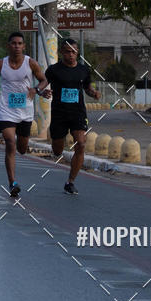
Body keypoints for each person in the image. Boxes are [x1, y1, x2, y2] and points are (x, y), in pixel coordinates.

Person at [0, 31, 47, 198]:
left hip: (25, 111)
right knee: (10, 143)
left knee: (22, 148)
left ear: (24, 46)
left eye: (20, 44)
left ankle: (21, 143)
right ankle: (12, 182)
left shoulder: (30, 63)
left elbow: (43, 80)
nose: (17, 46)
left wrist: (36, 89)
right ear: (8, 45)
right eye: (14, 43)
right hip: (6, 110)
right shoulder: (0, 63)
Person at [38, 38, 101, 195]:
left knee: (81, 143)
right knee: (58, 150)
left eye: (73, 51)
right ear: (62, 53)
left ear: (77, 52)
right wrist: (41, 92)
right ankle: (57, 150)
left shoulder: (83, 70)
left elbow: (87, 87)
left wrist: (93, 93)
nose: (70, 55)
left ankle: (70, 182)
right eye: (67, 51)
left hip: (78, 113)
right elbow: (42, 84)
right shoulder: (54, 70)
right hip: (59, 113)